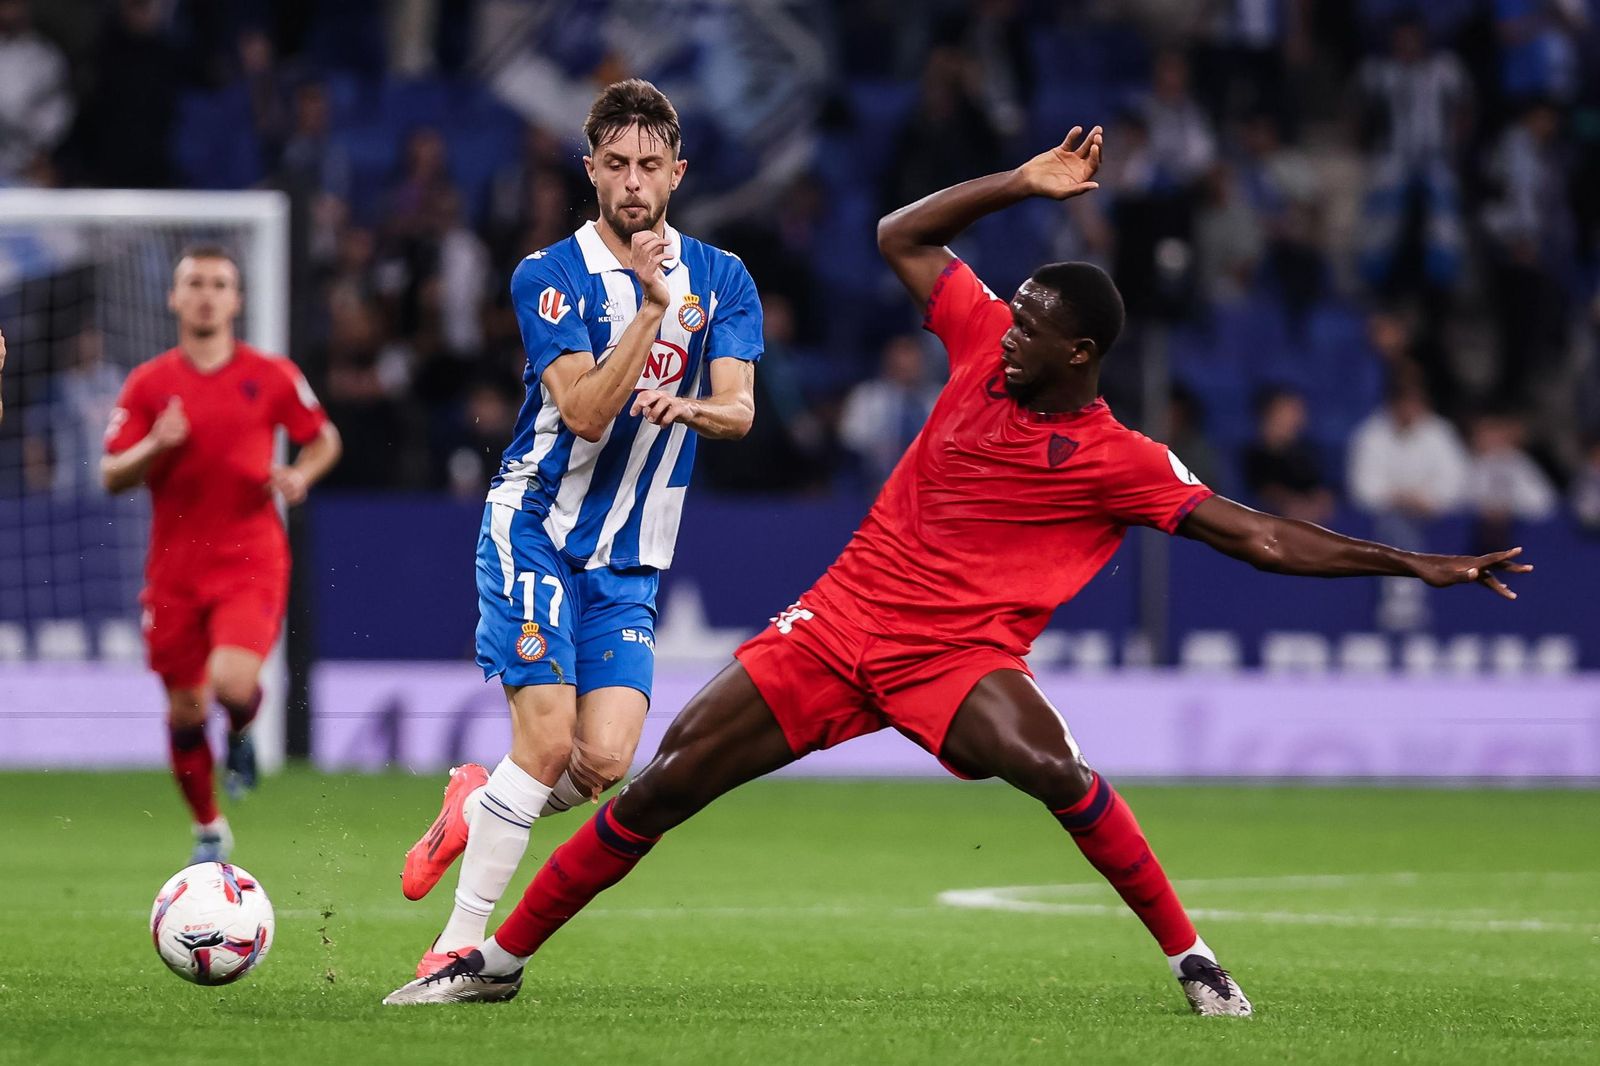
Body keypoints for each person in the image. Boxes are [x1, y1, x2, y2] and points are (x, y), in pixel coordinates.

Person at [383, 128, 1532, 1015]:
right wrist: (1020, 187)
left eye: (1030, 321)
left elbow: (1259, 534)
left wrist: (1405, 563)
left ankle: (1192, 957)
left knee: (1050, 765)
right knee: (660, 783)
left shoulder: (1117, 459)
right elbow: (900, 235)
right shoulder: (983, 340)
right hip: (835, 627)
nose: (1005, 323)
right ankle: (495, 961)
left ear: (1078, 354)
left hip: (958, 658)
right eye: (1014, 308)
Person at [394, 79, 762, 981]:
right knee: (549, 740)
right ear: (589, 169)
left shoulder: (723, 278)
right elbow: (587, 413)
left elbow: (741, 411)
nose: (633, 182)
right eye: (616, 164)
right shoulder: (546, 276)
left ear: (677, 173)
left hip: (630, 559)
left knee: (602, 762)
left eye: (650, 165)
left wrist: (691, 407)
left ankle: (477, 807)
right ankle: (461, 941)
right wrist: (647, 310)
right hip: (536, 529)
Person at [101, 246, 343, 863]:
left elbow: (323, 439)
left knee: (234, 686)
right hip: (174, 571)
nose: (206, 294)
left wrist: (301, 475)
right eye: (194, 283)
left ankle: (240, 731)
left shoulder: (272, 374)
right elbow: (110, 474)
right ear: (174, 298)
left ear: (236, 300)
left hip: (249, 558)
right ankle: (210, 828)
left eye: (219, 284)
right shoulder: (149, 384)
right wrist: (156, 442)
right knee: (185, 708)